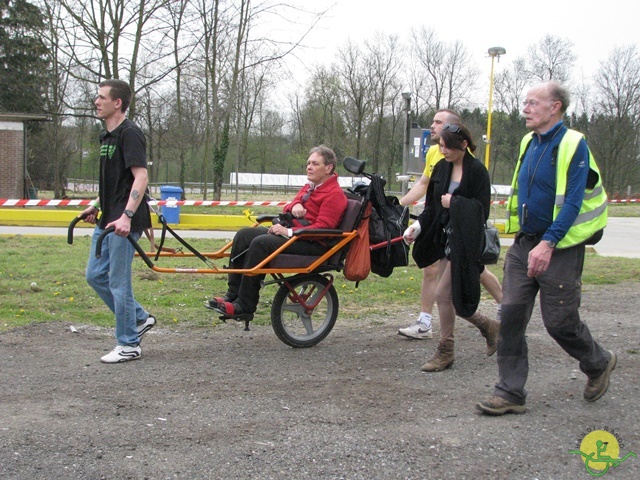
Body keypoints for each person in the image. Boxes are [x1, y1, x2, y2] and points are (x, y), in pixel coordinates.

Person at [476, 81, 612, 415]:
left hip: (560, 247)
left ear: (555, 107)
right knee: (510, 317)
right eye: (525, 102)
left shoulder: (573, 144)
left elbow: (573, 202)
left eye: (533, 102)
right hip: (526, 244)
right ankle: (509, 392)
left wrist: (549, 243)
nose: (525, 108)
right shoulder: (528, 142)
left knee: (560, 322)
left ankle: (598, 362)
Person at [209, 145, 348, 320]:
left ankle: (245, 305)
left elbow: (324, 229)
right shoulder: (310, 187)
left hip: (313, 243)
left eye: (315, 163)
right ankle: (232, 294)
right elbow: (288, 206)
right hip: (296, 235)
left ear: (328, 168)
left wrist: (289, 231)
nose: (309, 167)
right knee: (244, 235)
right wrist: (295, 205)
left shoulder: (334, 194)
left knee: (261, 243)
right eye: (308, 163)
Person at [398, 109, 502, 340]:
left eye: (439, 123)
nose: (443, 149)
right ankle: (467, 334)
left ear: (462, 142)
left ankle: (494, 320)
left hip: (464, 240)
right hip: (445, 238)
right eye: (442, 145)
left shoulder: (476, 171)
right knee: (447, 292)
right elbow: (431, 198)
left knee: (451, 290)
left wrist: (454, 202)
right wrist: (415, 223)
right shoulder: (439, 163)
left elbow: (480, 210)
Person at [80, 79, 156, 364]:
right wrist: (95, 205)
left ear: (118, 103)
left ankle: (129, 344)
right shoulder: (107, 137)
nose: (96, 102)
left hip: (124, 223)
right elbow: (114, 183)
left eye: (101, 98)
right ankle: (138, 318)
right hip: (106, 219)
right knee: (94, 275)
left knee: (118, 283)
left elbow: (141, 177)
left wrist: (127, 216)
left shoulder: (130, 134)